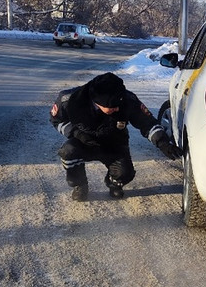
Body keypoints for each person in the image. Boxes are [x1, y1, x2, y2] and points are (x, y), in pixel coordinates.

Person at [49, 72, 181, 201]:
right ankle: (80, 184)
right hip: (83, 143)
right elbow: (57, 120)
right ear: (98, 102)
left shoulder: (128, 100)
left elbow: (148, 124)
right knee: (68, 151)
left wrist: (164, 144)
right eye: (113, 106)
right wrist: (77, 133)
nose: (118, 109)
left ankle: (113, 183)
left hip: (114, 144)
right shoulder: (69, 100)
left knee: (126, 173)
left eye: (119, 105)